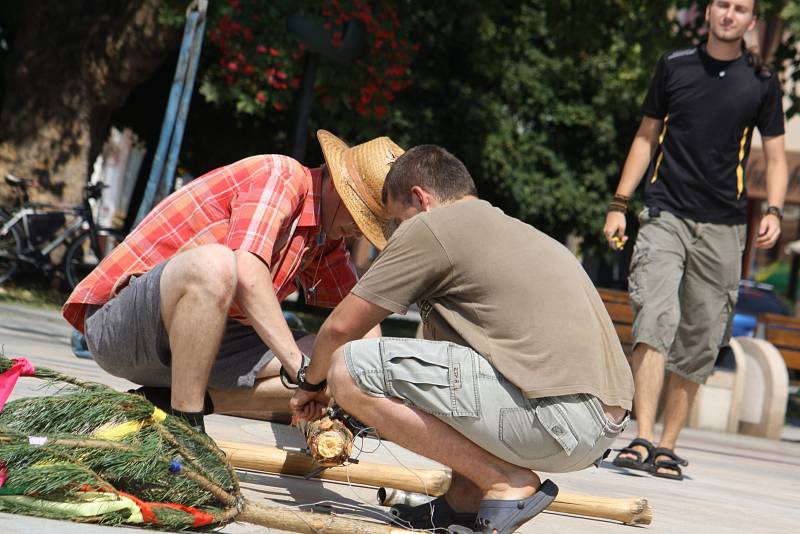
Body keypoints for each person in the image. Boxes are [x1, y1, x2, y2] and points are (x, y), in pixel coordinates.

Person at [290, 145, 634, 533]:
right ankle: (463, 503)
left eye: (395, 222)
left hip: (557, 418)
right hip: (599, 427)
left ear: (420, 199)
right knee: (448, 362)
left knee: (348, 368)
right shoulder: (510, 230)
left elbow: (341, 328)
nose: (394, 234)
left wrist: (313, 384)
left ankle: (505, 481)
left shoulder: (434, 227)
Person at [62, 130, 405, 432]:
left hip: (195, 343)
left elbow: (360, 321)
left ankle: (171, 402)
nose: (360, 231)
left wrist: (364, 385)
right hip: (121, 326)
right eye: (361, 215)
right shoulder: (282, 175)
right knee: (218, 263)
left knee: (343, 362)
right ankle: (188, 427)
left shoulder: (325, 237)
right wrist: (302, 372)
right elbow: (247, 271)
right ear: (335, 184)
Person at [604, 0, 788, 480]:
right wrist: (619, 205)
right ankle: (642, 437)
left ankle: (667, 445)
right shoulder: (674, 66)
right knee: (655, 317)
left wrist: (773, 210)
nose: (730, 14)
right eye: (723, 5)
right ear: (709, 12)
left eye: (741, 8)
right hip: (666, 212)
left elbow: (775, 155)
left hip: (725, 226)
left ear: (751, 20)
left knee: (702, 336)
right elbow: (646, 138)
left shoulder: (763, 83)